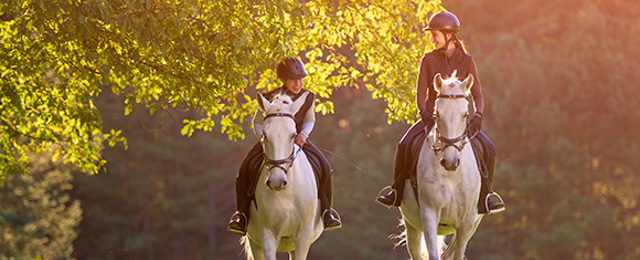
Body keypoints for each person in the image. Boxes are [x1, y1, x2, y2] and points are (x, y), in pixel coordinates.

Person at [375, 11, 506, 214]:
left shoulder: (468, 61)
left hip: (460, 123)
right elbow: (420, 93)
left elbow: (477, 94)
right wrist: (424, 113)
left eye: (434, 35)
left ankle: (486, 196)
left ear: (448, 35)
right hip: (432, 119)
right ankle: (396, 191)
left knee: (489, 149)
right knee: (403, 145)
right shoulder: (428, 60)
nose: (431, 39)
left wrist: (478, 115)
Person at [228, 57, 342, 235]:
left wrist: (303, 135)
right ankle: (241, 215)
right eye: (293, 79)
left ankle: (327, 211)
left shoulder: (308, 97)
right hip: (273, 142)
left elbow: (310, 120)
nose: (298, 83)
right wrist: (264, 139)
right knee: (244, 169)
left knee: (325, 167)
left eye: (300, 79)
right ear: (284, 80)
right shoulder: (268, 98)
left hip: (297, 140)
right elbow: (257, 122)